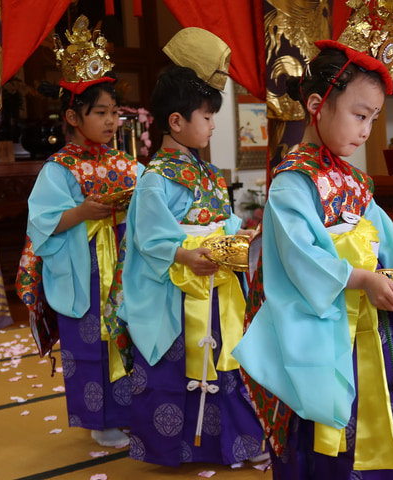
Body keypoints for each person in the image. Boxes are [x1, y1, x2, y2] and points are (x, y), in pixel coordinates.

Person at [232, 39, 393, 479]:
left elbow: (378, 241)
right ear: (317, 105)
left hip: (363, 322)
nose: (367, 129)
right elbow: (301, 258)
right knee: (327, 414)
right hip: (322, 324)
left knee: (372, 406)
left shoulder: (354, 181)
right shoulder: (292, 182)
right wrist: (363, 280)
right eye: (359, 114)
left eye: (372, 117)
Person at [116, 27, 265, 467]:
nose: (213, 125)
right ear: (176, 122)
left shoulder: (209, 173)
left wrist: (239, 235)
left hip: (215, 281)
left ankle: (237, 443)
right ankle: (174, 449)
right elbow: (150, 238)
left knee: (226, 361)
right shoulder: (154, 178)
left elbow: (226, 218)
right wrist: (182, 254)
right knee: (179, 367)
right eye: (206, 116)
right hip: (180, 291)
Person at [16, 15, 138, 447]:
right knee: (89, 343)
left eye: (115, 114)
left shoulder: (123, 162)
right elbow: (42, 221)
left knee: (125, 334)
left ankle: (126, 411)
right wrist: (84, 212)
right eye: (101, 113)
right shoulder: (59, 168)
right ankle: (98, 419)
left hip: (120, 262)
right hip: (82, 268)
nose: (111, 122)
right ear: (73, 115)